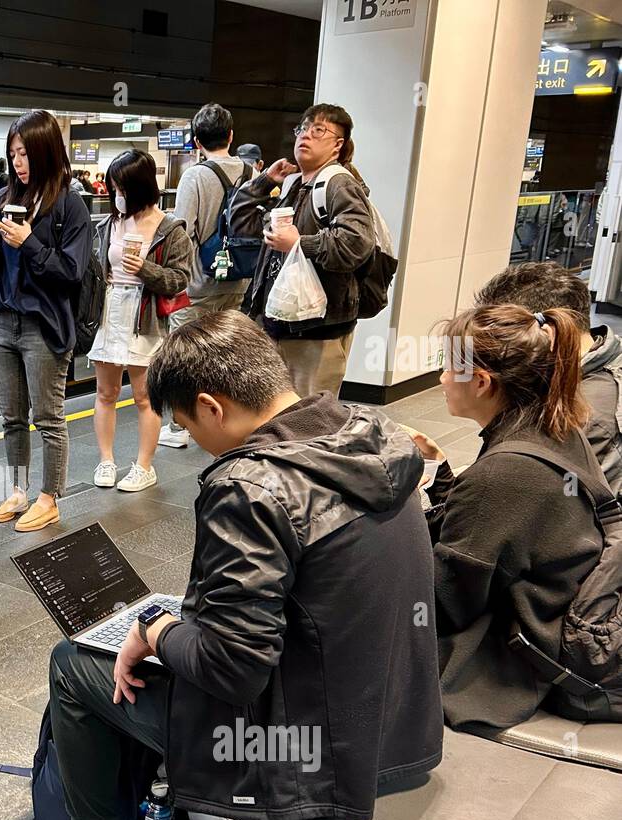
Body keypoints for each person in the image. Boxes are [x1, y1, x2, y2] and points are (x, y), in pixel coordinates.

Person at [5, 311, 442, 820]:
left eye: (184, 424)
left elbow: (233, 670)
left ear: (212, 407)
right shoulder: (374, 433)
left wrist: (155, 631)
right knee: (174, 632)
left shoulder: (251, 486)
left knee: (75, 666)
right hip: (389, 723)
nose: (194, 441)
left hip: (301, 755)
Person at [410, 304, 603, 730]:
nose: (440, 379)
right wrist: (443, 477)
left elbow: (444, 602)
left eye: (446, 367)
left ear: (480, 382)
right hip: (558, 603)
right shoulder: (554, 426)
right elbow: (500, 529)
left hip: (525, 645)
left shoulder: (503, 471)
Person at [0, 109, 93, 532]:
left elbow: (70, 272)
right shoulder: (5, 199)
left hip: (44, 325)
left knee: (48, 416)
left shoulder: (69, 205)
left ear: (45, 152)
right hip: (3, 321)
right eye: (12, 154)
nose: (18, 163)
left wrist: (29, 243)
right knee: (10, 417)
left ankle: (50, 497)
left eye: (24, 153)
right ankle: (19, 489)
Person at [230, 104, 376, 399]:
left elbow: (357, 243)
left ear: (338, 145)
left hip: (316, 330)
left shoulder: (338, 184)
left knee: (309, 421)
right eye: (302, 128)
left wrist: (300, 243)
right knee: (276, 416)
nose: (305, 135)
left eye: (318, 130)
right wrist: (264, 181)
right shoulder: (293, 186)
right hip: (278, 323)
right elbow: (240, 224)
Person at [89, 149, 192, 492]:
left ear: (140, 187)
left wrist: (144, 269)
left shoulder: (169, 228)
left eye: (122, 188)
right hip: (109, 311)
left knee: (144, 396)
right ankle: (106, 460)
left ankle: (144, 466)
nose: (117, 195)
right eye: (113, 187)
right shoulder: (109, 224)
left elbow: (180, 278)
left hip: (144, 316)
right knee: (106, 392)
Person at [474, 261, 622, 495]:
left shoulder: (581, 416)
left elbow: (564, 511)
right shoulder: (604, 355)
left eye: (503, 334)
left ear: (547, 332)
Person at [159, 102, 250, 449]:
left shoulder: (196, 176)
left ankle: (181, 427)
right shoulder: (250, 173)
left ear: (196, 141)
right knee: (226, 348)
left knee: (183, 349)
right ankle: (227, 416)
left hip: (198, 281)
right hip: (237, 278)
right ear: (230, 135)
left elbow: (184, 229)